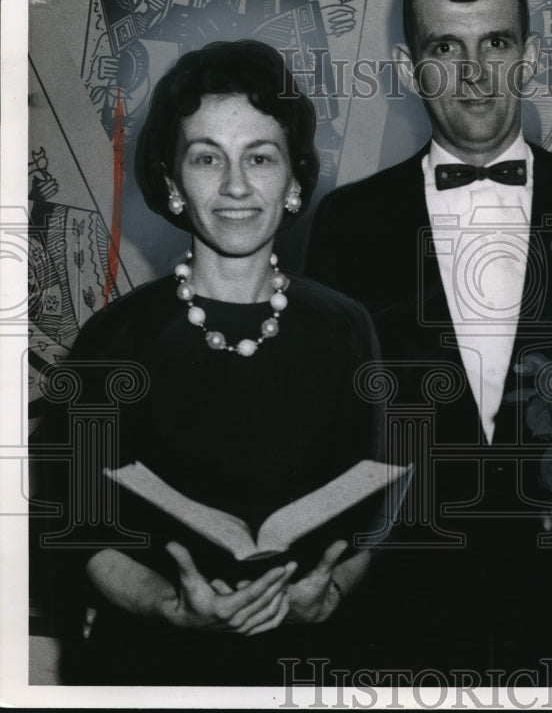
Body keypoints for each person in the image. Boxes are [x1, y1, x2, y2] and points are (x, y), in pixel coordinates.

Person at [305, 0, 552, 677]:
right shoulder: (347, 222)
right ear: (409, 68)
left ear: (527, 55)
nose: (474, 74)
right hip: (397, 606)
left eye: (495, 43)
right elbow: (329, 425)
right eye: (445, 47)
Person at [42, 40, 384, 685]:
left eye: (259, 157)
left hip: (314, 668)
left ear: (294, 179)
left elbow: (377, 500)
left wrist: (330, 590)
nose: (234, 186)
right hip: (151, 668)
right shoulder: (112, 339)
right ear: (173, 184)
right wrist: (170, 606)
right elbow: (76, 528)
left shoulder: (347, 328)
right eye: (207, 158)